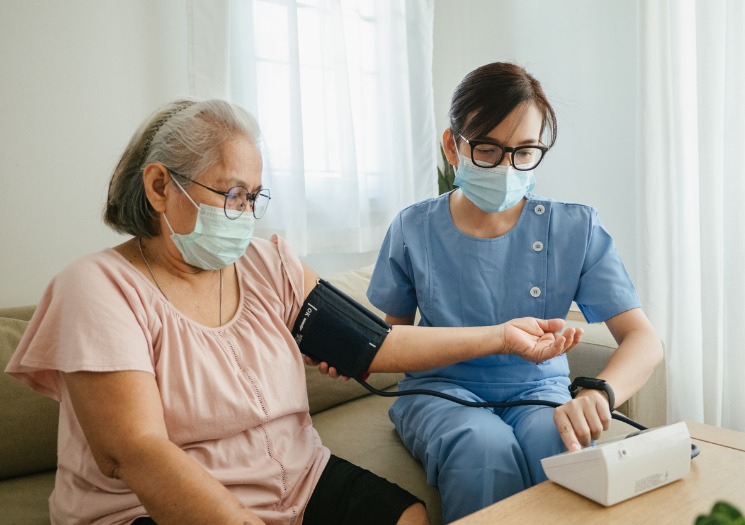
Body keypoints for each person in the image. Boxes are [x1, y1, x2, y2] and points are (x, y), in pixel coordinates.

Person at [5, 98, 583, 525]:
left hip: (297, 479)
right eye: (232, 193)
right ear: (160, 186)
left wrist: (503, 337)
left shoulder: (268, 263)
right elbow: (135, 453)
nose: (247, 215)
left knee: (409, 518)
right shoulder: (98, 288)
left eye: (255, 197)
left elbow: (374, 345)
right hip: (149, 507)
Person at [365, 62, 664, 523]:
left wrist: (598, 394)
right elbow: (393, 345)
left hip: (540, 389)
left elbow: (643, 340)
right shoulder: (413, 228)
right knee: (483, 448)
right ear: (453, 145)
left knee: (559, 441)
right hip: (441, 391)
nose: (507, 167)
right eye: (488, 149)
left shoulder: (575, 228)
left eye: (525, 152)